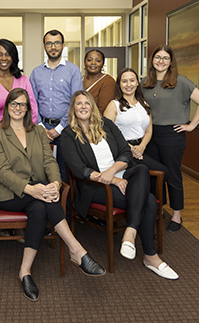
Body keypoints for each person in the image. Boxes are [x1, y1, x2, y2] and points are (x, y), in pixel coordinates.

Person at [0, 88, 105, 302]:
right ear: (7, 107)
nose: (18, 108)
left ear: (28, 108)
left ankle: (25, 271)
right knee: (43, 200)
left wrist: (54, 182)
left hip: (38, 191)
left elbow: (49, 161)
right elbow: (2, 172)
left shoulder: (39, 133)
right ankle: (76, 250)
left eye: (22, 104)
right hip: (7, 193)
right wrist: (31, 189)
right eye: (13, 104)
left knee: (41, 207)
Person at [62, 90, 179, 280]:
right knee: (148, 200)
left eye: (87, 103)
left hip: (124, 176)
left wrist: (113, 172)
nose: (83, 106)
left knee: (141, 169)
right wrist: (110, 178)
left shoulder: (106, 125)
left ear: (92, 107)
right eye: (79, 103)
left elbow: (125, 151)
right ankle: (150, 256)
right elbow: (78, 169)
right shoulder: (69, 134)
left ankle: (130, 232)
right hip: (96, 187)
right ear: (73, 109)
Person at [141, 45, 199, 232]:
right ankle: (159, 208)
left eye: (165, 58)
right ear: (152, 60)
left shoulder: (181, 82)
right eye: (157, 57)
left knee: (172, 173)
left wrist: (191, 125)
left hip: (172, 134)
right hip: (149, 134)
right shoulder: (144, 82)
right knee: (154, 174)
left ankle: (177, 214)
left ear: (171, 62)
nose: (161, 61)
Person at [103, 67, 169, 200]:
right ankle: (147, 203)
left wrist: (142, 146)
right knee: (161, 172)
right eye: (124, 81)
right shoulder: (113, 105)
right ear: (119, 84)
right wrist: (129, 147)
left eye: (132, 81)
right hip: (124, 150)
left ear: (137, 83)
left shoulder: (144, 104)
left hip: (143, 148)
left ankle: (157, 208)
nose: (129, 85)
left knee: (160, 173)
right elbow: (106, 132)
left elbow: (149, 130)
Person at [30, 29, 83, 182]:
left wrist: (59, 128)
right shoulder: (36, 73)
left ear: (63, 45)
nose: (53, 47)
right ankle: (45, 202)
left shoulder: (73, 71)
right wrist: (40, 126)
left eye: (57, 43)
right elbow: (33, 102)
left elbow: (77, 102)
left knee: (64, 171)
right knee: (40, 170)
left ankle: (63, 205)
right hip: (40, 129)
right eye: (49, 43)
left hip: (67, 129)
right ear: (44, 46)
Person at [82, 49, 116, 115]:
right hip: (76, 122)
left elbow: (104, 110)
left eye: (98, 60)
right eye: (89, 60)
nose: (93, 63)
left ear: (103, 64)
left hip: (95, 122)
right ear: (84, 62)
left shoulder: (108, 81)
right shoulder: (80, 79)